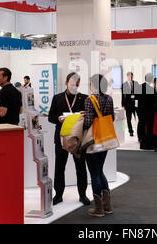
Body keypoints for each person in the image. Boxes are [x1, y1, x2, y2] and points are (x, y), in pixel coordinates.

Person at [48, 73, 90, 206]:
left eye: (77, 84)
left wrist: (85, 114)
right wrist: (58, 118)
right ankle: (58, 195)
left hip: (78, 138)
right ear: (66, 83)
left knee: (81, 167)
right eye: (72, 84)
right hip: (61, 137)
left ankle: (82, 195)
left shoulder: (84, 98)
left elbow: (90, 118)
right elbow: (50, 117)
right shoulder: (57, 98)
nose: (74, 86)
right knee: (59, 167)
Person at [83, 74, 115, 217]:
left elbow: (88, 122)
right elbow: (112, 118)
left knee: (94, 173)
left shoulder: (90, 99)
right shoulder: (109, 98)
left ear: (93, 84)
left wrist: (82, 118)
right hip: (105, 139)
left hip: (93, 140)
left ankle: (99, 208)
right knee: (100, 171)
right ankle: (107, 206)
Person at [136, 73, 156, 150]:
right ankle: (148, 143)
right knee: (149, 127)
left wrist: (137, 110)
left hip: (140, 111)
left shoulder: (138, 87)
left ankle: (140, 139)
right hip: (149, 112)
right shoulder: (152, 90)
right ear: (151, 79)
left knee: (141, 124)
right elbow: (155, 101)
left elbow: (135, 100)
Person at [121, 72, 140, 137]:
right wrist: (123, 105)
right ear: (127, 76)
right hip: (128, 104)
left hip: (135, 104)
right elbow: (123, 95)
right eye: (129, 76)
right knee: (128, 119)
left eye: (132, 76)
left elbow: (138, 94)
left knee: (137, 118)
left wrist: (138, 103)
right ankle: (131, 131)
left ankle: (138, 131)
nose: (131, 77)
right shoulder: (124, 84)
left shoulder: (136, 83)